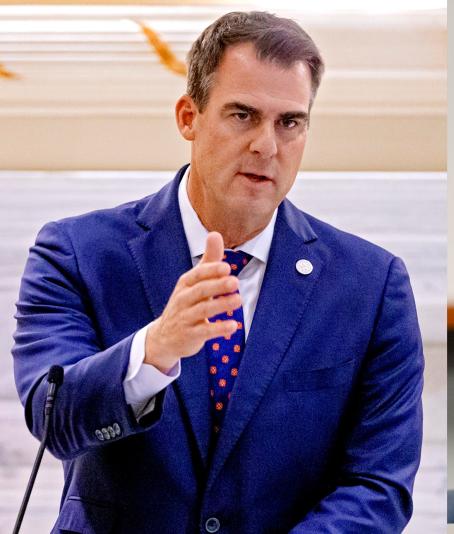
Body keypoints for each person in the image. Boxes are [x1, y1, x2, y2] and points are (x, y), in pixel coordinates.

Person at [12, 11, 423, 533]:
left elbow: (378, 483)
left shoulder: (371, 284)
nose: (267, 146)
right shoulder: (76, 252)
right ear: (189, 116)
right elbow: (53, 419)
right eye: (243, 115)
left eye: (289, 123)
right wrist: (153, 350)